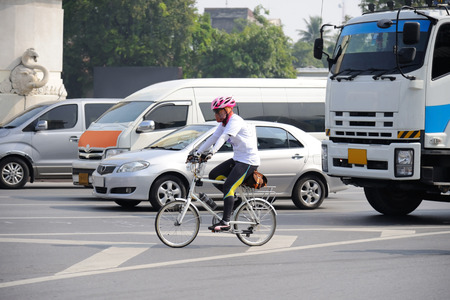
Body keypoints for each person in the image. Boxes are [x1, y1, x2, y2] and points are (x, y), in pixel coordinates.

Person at [192, 96, 260, 232]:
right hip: (238, 160)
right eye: (215, 112)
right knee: (214, 175)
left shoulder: (235, 121)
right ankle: (234, 201)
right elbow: (214, 137)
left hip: (248, 162)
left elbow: (223, 138)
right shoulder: (224, 124)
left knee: (229, 185)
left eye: (219, 111)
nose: (217, 114)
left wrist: (212, 152)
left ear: (228, 109)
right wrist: (197, 153)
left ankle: (226, 222)